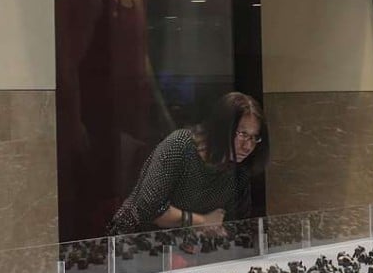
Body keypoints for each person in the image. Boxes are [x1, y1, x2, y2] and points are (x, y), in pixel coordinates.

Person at [107, 92, 268, 234]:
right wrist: (203, 221)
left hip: (186, 247)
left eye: (254, 137)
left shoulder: (240, 169)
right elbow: (147, 208)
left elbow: (235, 222)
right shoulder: (181, 145)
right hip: (134, 241)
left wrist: (218, 231)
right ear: (222, 127)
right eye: (242, 134)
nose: (248, 146)